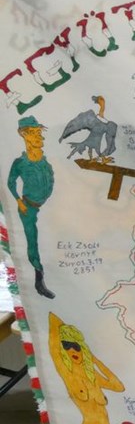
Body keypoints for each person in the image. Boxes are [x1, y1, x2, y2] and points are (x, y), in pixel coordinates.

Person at [48, 312, 124, 424]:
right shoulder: (67, 373)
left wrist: (96, 361)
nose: (72, 350)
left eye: (76, 346)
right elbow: (53, 330)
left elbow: (118, 387)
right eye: (66, 346)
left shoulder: (92, 376)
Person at [7, 116, 55, 299]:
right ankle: (39, 280)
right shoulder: (21, 163)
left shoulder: (44, 161)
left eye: (39, 133)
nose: (38, 137)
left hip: (44, 206)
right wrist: (19, 201)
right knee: (32, 241)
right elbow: (11, 182)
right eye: (33, 133)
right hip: (28, 208)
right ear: (23, 134)